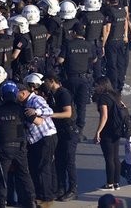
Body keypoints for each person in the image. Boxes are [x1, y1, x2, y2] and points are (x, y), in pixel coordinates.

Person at [0, 81, 36, 208]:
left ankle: (0, 203)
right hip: (20, 148)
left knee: (1, 178)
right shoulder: (21, 109)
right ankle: (31, 201)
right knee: (24, 175)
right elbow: (36, 122)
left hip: (3, 148)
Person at [17, 76, 58, 206]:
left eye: (16, 95)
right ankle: (42, 194)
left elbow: (49, 111)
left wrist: (36, 111)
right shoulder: (24, 103)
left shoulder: (36, 99)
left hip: (46, 136)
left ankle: (46, 198)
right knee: (37, 167)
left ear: (23, 93)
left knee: (43, 167)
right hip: (35, 139)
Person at [42, 72, 79, 201]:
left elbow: (68, 113)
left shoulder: (63, 93)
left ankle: (73, 189)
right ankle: (61, 188)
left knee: (69, 161)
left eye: (45, 81)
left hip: (69, 132)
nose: (44, 84)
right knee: (59, 161)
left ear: (52, 81)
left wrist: (50, 115)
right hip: (60, 132)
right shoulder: (53, 94)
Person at [93, 76, 122, 190]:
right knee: (116, 157)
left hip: (108, 130)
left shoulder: (103, 98)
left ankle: (109, 183)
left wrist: (98, 132)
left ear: (102, 85)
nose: (95, 87)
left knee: (109, 158)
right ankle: (116, 183)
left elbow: (104, 116)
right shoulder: (116, 95)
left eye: (96, 85)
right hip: (117, 129)